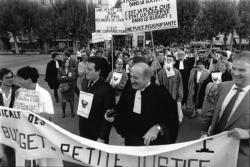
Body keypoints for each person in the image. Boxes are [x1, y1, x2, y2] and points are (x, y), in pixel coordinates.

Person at [106, 62, 179, 146]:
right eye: (131, 77)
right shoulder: (129, 91)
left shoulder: (161, 94)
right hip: (132, 141)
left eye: (136, 78)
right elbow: (120, 112)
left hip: (153, 145)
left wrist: (158, 127)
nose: (132, 81)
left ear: (147, 78)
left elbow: (172, 120)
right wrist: (113, 118)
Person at [200, 51, 250, 167]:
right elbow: (211, 113)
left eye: (242, 70)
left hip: (239, 157)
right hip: (213, 151)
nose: (236, 73)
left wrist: (248, 133)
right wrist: (203, 131)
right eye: (234, 68)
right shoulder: (223, 86)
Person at [15, 66, 62, 167]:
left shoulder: (44, 94)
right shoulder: (19, 92)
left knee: (41, 162)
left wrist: (29, 115)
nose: (18, 81)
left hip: (39, 136)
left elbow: (50, 117)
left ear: (29, 80)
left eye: (20, 79)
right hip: (24, 135)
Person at [79, 56, 115, 144]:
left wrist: (102, 137)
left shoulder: (107, 90)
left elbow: (109, 117)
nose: (86, 71)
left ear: (98, 71)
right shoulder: (86, 82)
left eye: (90, 69)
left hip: (96, 136)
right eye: (86, 68)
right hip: (84, 131)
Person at [0, 68, 20, 167]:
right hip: (0, 127)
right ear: (0, 80)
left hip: (14, 128)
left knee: (12, 153)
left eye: (12, 76)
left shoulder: (19, 90)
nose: (11, 79)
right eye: (7, 77)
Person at [158, 55, 184, 123]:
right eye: (167, 60)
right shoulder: (160, 72)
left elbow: (180, 87)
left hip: (174, 101)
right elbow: (157, 87)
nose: (168, 61)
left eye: (170, 60)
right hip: (162, 102)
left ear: (174, 62)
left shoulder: (177, 72)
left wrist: (179, 101)